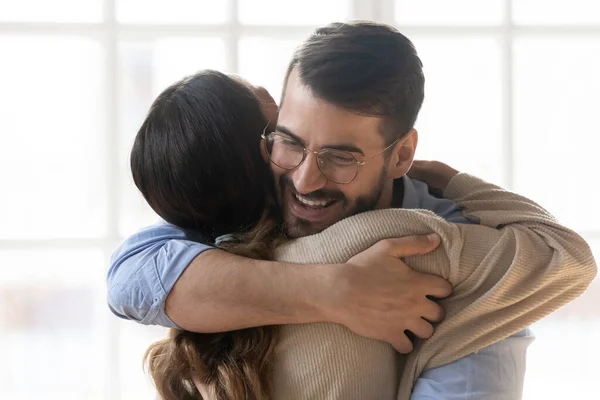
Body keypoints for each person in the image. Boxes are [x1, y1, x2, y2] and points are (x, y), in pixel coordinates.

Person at [107, 22, 596, 399]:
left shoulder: (441, 246)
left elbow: (568, 267)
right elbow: (128, 278)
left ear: (402, 156)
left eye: (342, 157)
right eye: (288, 141)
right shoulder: (249, 198)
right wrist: (334, 291)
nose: (304, 179)